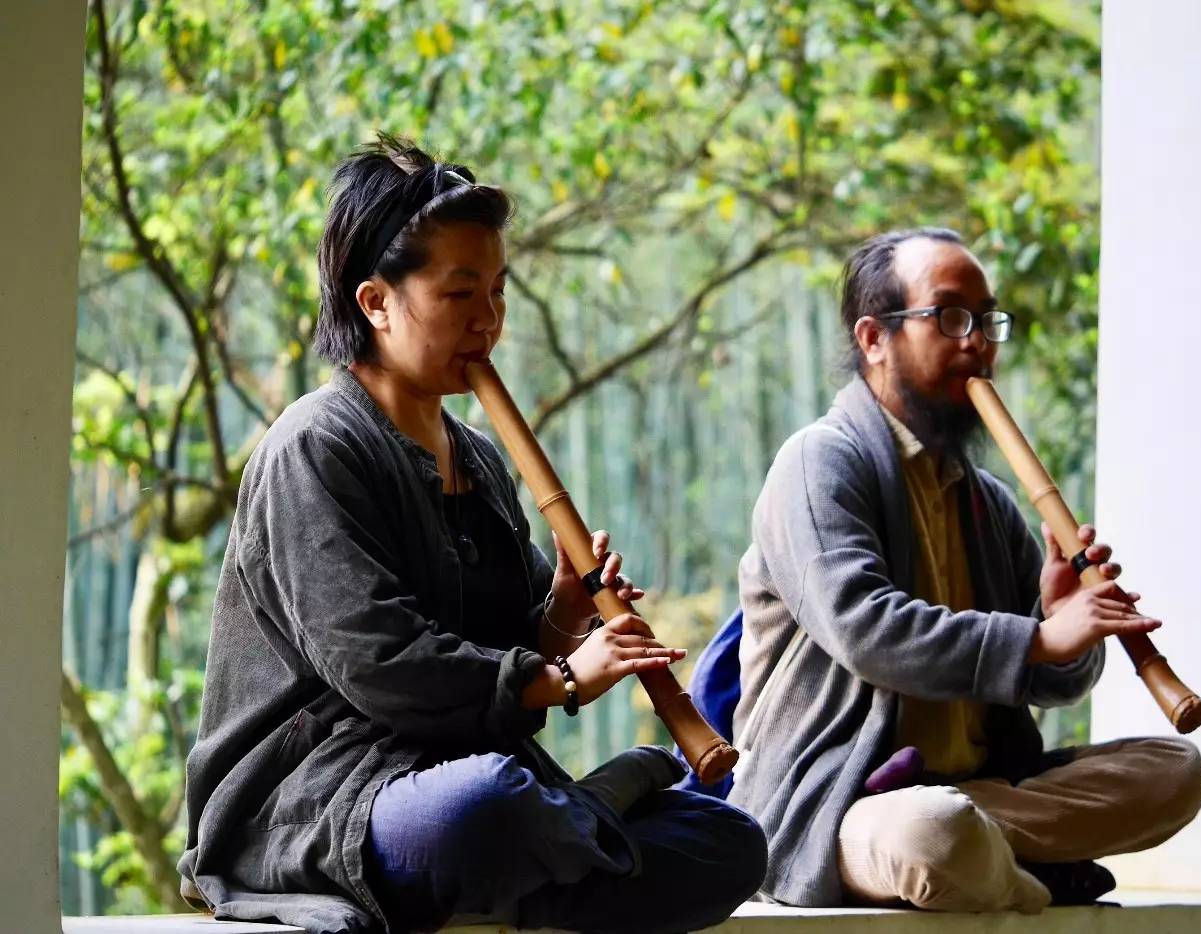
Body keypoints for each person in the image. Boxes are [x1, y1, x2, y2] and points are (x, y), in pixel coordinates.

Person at [177, 134, 766, 934]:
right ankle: (579, 823)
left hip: (456, 773)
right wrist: (561, 679)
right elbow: (381, 663)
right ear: (375, 301)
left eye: (498, 292)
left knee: (729, 840)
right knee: (486, 809)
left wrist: (562, 608)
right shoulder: (315, 446)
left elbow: (509, 637)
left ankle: (551, 851)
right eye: (461, 295)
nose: (488, 321)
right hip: (321, 799)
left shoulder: (477, 457)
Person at [729, 228, 1201, 912]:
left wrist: (1058, 617)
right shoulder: (820, 463)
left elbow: (1050, 683)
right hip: (845, 799)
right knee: (934, 834)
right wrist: (1037, 638)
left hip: (984, 789)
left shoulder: (987, 498)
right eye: (950, 315)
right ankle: (1034, 874)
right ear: (874, 338)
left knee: (1175, 773)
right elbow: (868, 632)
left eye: (987, 320)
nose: (976, 340)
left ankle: (998, 854)